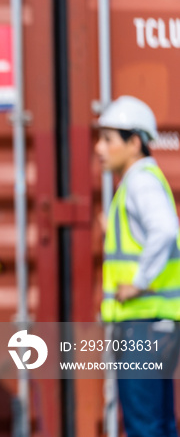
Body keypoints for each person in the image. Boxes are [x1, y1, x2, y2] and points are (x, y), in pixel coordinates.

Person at [95, 95, 180, 437]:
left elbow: (165, 229)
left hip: (142, 321)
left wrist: (139, 282)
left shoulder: (139, 181)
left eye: (107, 139)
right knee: (159, 423)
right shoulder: (142, 180)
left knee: (145, 425)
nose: (99, 148)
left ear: (134, 142)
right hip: (153, 322)